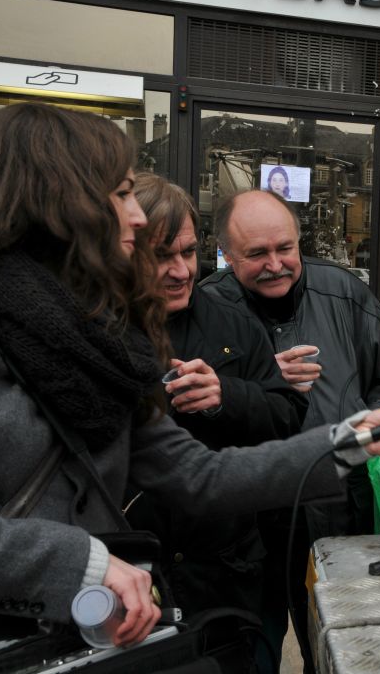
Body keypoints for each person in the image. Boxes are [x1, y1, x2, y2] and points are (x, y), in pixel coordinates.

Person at [0, 103, 380, 658]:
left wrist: (354, 438)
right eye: (120, 194)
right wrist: (81, 562)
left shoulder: (100, 340)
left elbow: (201, 475)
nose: (137, 218)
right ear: (56, 203)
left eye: (187, 252)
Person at [199, 189, 380, 672]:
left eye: (285, 248)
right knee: (249, 651)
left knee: (342, 650)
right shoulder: (205, 309)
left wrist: (364, 422)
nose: (275, 264)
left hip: (341, 507)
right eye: (256, 254)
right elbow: (192, 419)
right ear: (227, 255)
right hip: (250, 523)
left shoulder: (342, 291)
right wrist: (259, 383)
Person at [124, 172, 309, 626]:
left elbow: (286, 415)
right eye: (161, 257)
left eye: (188, 253)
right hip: (130, 572)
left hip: (225, 573)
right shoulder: (91, 328)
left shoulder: (233, 325)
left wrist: (227, 395)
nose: (182, 271)